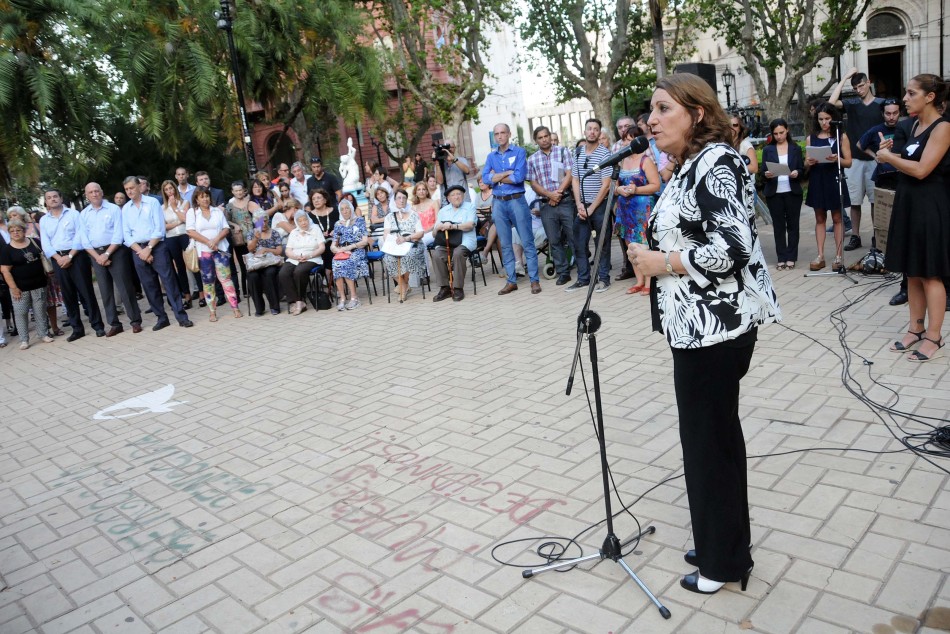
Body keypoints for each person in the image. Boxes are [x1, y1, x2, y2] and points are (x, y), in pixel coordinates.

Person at [627, 72, 780, 596]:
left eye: (663, 108)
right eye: (651, 110)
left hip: (715, 331)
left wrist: (660, 261)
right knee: (713, 440)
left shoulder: (717, 161)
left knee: (708, 444)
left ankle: (721, 563)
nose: (651, 119)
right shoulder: (691, 165)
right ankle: (723, 542)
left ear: (697, 113)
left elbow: (734, 248)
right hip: (698, 328)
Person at [876, 74, 950, 362]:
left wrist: (889, 158)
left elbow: (921, 170)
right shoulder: (915, 125)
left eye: (910, 93)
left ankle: (934, 336)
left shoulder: (943, 128)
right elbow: (908, 165)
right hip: (909, 205)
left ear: (929, 97)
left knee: (931, 273)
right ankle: (915, 329)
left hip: (930, 207)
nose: (904, 99)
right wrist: (890, 154)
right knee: (913, 272)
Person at [120, 177, 193, 330]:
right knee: (149, 285)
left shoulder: (152, 203)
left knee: (169, 282)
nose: (129, 191)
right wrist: (141, 251)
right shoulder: (126, 209)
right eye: (126, 189)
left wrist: (149, 248)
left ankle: (181, 316)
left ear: (140, 187)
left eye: (132, 188)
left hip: (157, 246)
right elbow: (126, 234)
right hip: (138, 250)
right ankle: (161, 318)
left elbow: (159, 228)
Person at [482, 123, 541, 295]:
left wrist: (496, 178)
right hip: (499, 202)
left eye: (502, 133)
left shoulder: (519, 152)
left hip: (516, 200)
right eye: (496, 134)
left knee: (527, 240)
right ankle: (511, 281)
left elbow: (519, 177)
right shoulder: (491, 156)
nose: (499, 136)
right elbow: (486, 179)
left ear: (509, 134)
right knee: (505, 243)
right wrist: (505, 174)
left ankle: (534, 280)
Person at [39, 189, 106, 341]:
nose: (53, 199)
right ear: (46, 202)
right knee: (67, 295)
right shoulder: (44, 220)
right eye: (49, 198)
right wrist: (58, 258)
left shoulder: (74, 214)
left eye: (55, 196)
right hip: (58, 260)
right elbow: (46, 244)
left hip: (77, 256)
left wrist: (69, 256)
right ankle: (77, 328)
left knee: (86, 292)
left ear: (61, 198)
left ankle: (97, 325)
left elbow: (80, 235)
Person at [830, 67, 885, 251]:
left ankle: (877, 237)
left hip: (876, 159)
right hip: (854, 160)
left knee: (874, 201)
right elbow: (831, 102)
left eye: (861, 86)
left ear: (869, 83)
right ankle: (855, 235)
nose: (859, 90)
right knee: (854, 201)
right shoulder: (852, 103)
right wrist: (845, 77)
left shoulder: (881, 104)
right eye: (855, 88)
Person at [80, 182, 144, 336]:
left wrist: (107, 254)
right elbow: (84, 238)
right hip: (96, 255)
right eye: (91, 192)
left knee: (125, 287)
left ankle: (135, 321)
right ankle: (114, 324)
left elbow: (118, 233)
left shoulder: (114, 209)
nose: (94, 194)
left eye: (97, 191)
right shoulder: (84, 214)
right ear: (87, 195)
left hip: (115, 251)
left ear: (102, 192)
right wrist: (98, 257)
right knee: (105, 291)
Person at [805, 103, 852, 271]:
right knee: (819, 218)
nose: (824, 123)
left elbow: (849, 162)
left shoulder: (841, 136)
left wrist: (836, 159)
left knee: (838, 218)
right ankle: (820, 255)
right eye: (820, 119)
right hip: (818, 179)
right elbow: (806, 161)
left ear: (834, 119)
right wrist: (809, 162)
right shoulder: (812, 137)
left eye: (827, 119)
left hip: (834, 178)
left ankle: (839, 255)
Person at [567, 118, 612, 293]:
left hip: (598, 207)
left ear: (599, 133)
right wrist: (579, 204)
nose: (592, 132)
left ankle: (603, 278)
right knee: (579, 243)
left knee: (602, 243)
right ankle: (583, 278)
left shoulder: (604, 154)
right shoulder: (577, 152)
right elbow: (575, 179)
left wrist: (591, 208)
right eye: (589, 129)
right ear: (584, 132)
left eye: (595, 129)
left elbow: (606, 184)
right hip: (581, 207)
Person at [528, 125, 575, 286]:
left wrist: (558, 193)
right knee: (554, 240)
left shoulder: (563, 152)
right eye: (540, 138)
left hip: (565, 201)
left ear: (550, 136)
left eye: (546, 136)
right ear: (536, 141)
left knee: (573, 236)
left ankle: (584, 270)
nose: (544, 139)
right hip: (546, 204)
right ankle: (563, 272)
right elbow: (533, 183)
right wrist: (550, 196)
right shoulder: (532, 159)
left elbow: (570, 174)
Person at [615, 128, 660, 295]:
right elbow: (615, 185)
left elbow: (655, 185)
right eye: (625, 140)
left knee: (644, 244)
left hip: (643, 208)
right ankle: (639, 280)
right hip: (625, 209)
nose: (627, 143)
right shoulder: (622, 161)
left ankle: (649, 281)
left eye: (631, 140)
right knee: (630, 245)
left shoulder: (646, 160)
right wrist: (619, 189)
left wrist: (636, 190)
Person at [186, 187, 242, 322]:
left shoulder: (217, 211)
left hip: (220, 249)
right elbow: (190, 231)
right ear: (196, 199)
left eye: (207, 196)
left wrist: (215, 240)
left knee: (226, 279)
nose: (205, 199)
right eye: (201, 197)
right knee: (208, 282)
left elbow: (226, 228)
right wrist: (208, 242)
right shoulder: (192, 213)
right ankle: (212, 311)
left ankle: (235, 307)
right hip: (203, 252)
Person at [6, 206, 62, 336]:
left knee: (49, 301)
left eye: (14, 215)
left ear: (22, 215)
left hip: (43, 271)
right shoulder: (12, 231)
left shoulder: (35, 226)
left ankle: (54, 326)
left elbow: (46, 244)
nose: (13, 218)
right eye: (10, 217)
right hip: (24, 277)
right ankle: (42, 330)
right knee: (34, 306)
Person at [0, 219, 54, 349]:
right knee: (21, 313)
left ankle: (43, 334)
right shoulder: (7, 250)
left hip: (39, 284)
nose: (16, 233)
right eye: (12, 231)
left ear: (24, 231)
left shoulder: (35, 242)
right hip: (20, 288)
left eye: (18, 230)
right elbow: (5, 270)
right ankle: (24, 339)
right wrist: (13, 288)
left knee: (40, 310)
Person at [762, 119, 805, 270]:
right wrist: (766, 174)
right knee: (778, 227)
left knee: (793, 225)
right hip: (774, 192)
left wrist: (796, 172)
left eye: (781, 132)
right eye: (775, 134)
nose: (779, 136)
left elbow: (801, 169)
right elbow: (763, 172)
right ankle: (781, 257)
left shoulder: (795, 148)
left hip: (792, 191)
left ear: (787, 130)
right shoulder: (768, 150)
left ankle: (791, 257)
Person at [430, 184, 476, 302]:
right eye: (453, 195)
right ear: (448, 198)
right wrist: (438, 227)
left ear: (463, 195)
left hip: (465, 241)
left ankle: (458, 288)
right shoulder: (443, 211)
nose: (456, 197)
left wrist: (454, 226)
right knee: (436, 254)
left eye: (459, 194)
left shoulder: (470, 206)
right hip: (447, 243)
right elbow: (434, 234)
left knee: (458, 253)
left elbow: (470, 225)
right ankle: (444, 287)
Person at [382, 190, 425, 302]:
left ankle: (402, 287)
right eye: (399, 198)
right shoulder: (389, 217)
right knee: (388, 259)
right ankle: (404, 286)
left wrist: (407, 238)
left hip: (412, 244)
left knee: (408, 256)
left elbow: (420, 233)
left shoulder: (413, 214)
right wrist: (393, 240)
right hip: (396, 245)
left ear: (407, 200)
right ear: (394, 200)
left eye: (404, 198)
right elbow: (386, 235)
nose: (401, 200)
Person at [280, 210, 325, 315]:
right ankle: (294, 301)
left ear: (308, 219)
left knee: (299, 272)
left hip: (312, 257)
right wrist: (295, 256)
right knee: (283, 273)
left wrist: (309, 255)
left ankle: (300, 301)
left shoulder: (315, 228)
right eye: (300, 221)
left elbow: (322, 247)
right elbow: (288, 250)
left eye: (305, 220)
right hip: (295, 258)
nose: (303, 223)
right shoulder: (294, 232)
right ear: (297, 222)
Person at [330, 199, 370, 310]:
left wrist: (349, 247)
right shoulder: (338, 224)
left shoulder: (359, 221)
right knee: (336, 262)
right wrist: (335, 249)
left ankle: (354, 298)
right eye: (342, 209)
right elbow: (333, 244)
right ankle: (342, 298)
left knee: (347, 262)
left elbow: (365, 241)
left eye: (347, 208)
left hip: (357, 250)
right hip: (343, 251)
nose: (345, 211)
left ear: (351, 209)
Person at [225, 180, 261, 299]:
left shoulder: (250, 202)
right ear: (232, 192)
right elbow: (225, 220)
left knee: (254, 262)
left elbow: (260, 216)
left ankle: (256, 288)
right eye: (236, 191)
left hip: (252, 237)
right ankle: (245, 290)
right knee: (243, 265)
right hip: (239, 239)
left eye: (240, 190)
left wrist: (259, 229)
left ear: (244, 190)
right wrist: (234, 225)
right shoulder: (230, 206)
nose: (239, 192)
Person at [160, 179, 193, 309]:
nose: (169, 191)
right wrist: (179, 221)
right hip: (171, 238)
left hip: (185, 235)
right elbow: (164, 227)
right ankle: (187, 295)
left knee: (191, 263)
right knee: (179, 266)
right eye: (167, 189)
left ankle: (201, 293)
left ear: (175, 189)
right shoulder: (162, 208)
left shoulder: (184, 202)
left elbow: (186, 219)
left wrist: (174, 208)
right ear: (164, 192)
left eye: (171, 188)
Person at [245, 217, 284, 316]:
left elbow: (279, 251)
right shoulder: (251, 233)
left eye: (265, 221)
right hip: (256, 263)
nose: (264, 223)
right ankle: (259, 308)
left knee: (269, 273)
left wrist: (266, 249)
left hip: (271, 262)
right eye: (260, 222)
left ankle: (274, 306)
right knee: (252, 276)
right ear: (256, 223)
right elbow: (250, 249)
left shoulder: (274, 233)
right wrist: (256, 238)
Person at [308, 189, 340, 292]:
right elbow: (308, 232)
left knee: (330, 245)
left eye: (318, 198)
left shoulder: (334, 211)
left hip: (335, 240)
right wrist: (319, 234)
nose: (316, 201)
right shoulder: (309, 216)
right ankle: (329, 277)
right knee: (325, 246)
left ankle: (329, 278)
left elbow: (341, 224)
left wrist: (335, 230)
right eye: (313, 199)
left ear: (325, 200)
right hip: (317, 243)